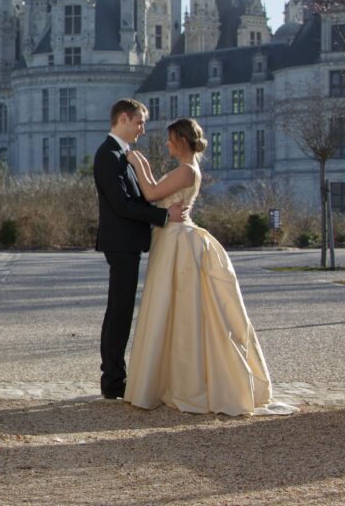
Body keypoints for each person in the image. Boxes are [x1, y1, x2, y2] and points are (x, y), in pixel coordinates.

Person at [123, 117, 274, 415]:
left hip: (178, 242)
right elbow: (157, 191)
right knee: (169, 308)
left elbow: (152, 193)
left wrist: (135, 161)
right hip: (171, 238)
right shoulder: (184, 170)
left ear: (181, 140)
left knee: (177, 308)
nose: (166, 144)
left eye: (169, 139)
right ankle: (164, 378)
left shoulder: (187, 171)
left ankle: (182, 382)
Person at [93, 99, 187, 400]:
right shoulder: (108, 155)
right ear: (123, 118)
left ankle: (115, 376)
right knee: (119, 310)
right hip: (119, 243)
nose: (142, 130)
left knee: (120, 309)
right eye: (139, 123)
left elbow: (139, 196)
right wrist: (162, 216)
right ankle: (112, 380)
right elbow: (121, 205)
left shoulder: (123, 154)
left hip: (127, 242)